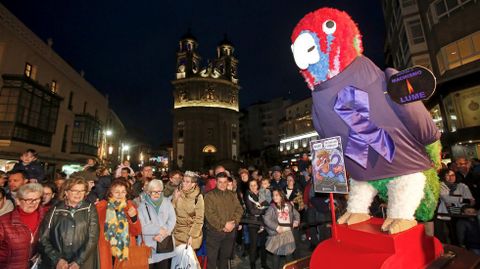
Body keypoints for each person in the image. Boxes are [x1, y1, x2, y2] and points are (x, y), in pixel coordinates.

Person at [38, 177, 99, 269]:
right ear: (66, 192)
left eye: (82, 191)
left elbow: (93, 237)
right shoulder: (55, 210)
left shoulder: (90, 208)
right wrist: (57, 259)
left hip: (83, 263)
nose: (78, 194)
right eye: (74, 190)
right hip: (59, 263)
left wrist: (78, 261)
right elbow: (43, 238)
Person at [97, 179, 142, 269]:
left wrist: (133, 218)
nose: (120, 195)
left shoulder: (130, 206)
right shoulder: (101, 206)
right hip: (105, 248)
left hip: (125, 249)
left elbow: (136, 232)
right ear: (110, 193)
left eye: (123, 192)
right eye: (116, 192)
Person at [204, 172, 244, 269]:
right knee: (212, 261)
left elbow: (239, 209)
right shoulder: (209, 196)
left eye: (225, 182)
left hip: (230, 233)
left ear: (227, 182)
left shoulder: (232, 195)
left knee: (224, 259)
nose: (222, 184)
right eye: (220, 182)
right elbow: (210, 215)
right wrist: (223, 225)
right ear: (216, 182)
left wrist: (233, 223)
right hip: (214, 233)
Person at [137, 179, 176, 269]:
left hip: (164, 245)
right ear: (148, 192)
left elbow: (172, 220)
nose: (157, 195)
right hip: (148, 246)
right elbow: (142, 227)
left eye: (159, 192)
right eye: (154, 192)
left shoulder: (167, 203)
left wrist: (162, 235)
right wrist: (158, 230)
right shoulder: (142, 206)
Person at [0, 185, 41, 269]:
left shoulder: (45, 217)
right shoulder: (3, 222)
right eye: (28, 200)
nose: (33, 203)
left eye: (37, 199)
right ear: (18, 201)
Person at [435, 168, 475, 243]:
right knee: (449, 233)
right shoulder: (440, 186)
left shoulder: (462, 186)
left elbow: (471, 200)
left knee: (461, 233)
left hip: (461, 214)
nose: (451, 177)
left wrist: (466, 202)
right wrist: (463, 200)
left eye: (453, 175)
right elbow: (446, 198)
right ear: (443, 176)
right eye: (447, 175)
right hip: (446, 214)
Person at [263, 189, 300, 269]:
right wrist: (276, 227)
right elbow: (266, 219)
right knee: (276, 255)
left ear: (281, 196)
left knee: (289, 255)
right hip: (277, 234)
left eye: (276, 195)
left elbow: (296, 214)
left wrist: (296, 221)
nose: (274, 197)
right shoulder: (272, 207)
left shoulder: (289, 205)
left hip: (288, 233)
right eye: (273, 195)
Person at [172, 171, 204, 249]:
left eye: (187, 182)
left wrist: (192, 236)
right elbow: (171, 212)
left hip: (191, 235)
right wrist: (175, 199)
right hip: (177, 234)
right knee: (177, 260)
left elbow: (199, 219)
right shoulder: (177, 192)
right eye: (183, 181)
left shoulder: (198, 197)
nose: (184, 183)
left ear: (193, 184)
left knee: (189, 260)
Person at [242, 179, 268, 269]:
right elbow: (252, 210)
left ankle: (264, 264)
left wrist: (264, 209)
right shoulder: (248, 195)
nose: (253, 187)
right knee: (253, 245)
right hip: (253, 222)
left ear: (258, 185)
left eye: (254, 185)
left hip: (263, 222)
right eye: (251, 185)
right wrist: (263, 210)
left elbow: (268, 204)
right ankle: (252, 264)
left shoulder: (263, 193)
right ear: (249, 187)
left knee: (263, 244)